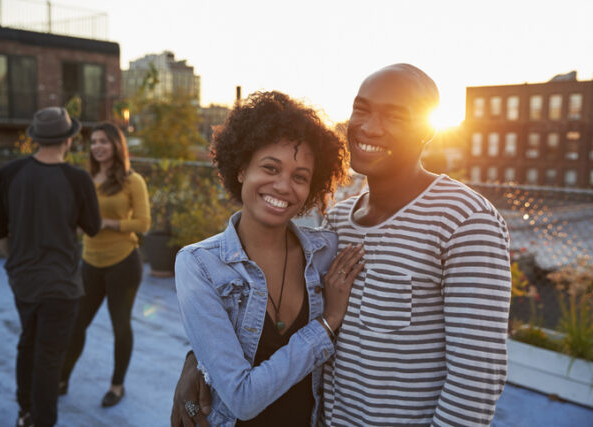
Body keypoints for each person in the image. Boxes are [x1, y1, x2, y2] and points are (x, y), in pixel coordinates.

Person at [172, 64, 512, 427]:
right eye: (361, 109)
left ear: (428, 129)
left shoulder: (465, 220)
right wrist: (200, 362)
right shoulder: (338, 225)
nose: (369, 127)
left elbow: (475, 382)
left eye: (394, 116)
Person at [174, 91, 365, 427]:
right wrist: (326, 322)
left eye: (300, 177)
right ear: (241, 169)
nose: (283, 186)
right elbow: (242, 399)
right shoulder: (199, 264)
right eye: (270, 168)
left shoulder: (326, 254)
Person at [0, 107, 101, 427]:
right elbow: (92, 226)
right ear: (68, 139)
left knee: (28, 341)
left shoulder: (9, 172)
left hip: (22, 278)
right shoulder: (77, 178)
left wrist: (16, 256)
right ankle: (42, 421)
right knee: (49, 356)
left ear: (35, 138)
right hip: (62, 282)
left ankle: (25, 411)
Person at [60, 122, 151, 407]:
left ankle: (117, 385)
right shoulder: (84, 178)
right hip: (90, 262)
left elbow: (144, 223)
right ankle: (61, 379)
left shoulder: (131, 180)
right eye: (94, 142)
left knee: (120, 326)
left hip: (123, 263)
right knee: (76, 324)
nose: (97, 146)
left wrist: (109, 223)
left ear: (116, 145)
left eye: (103, 141)